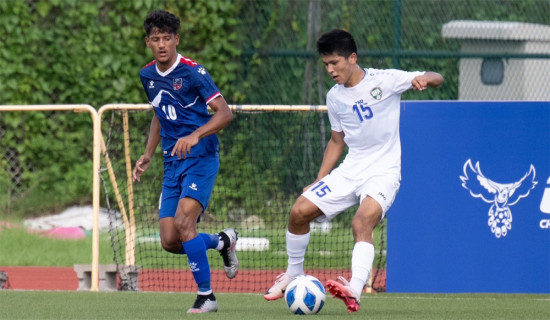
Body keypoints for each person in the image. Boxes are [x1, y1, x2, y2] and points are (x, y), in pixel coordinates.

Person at [264, 29, 444, 312]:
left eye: (335, 62)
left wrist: (424, 79)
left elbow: (437, 77)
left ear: (353, 58)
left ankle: (355, 288)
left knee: (361, 223)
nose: (330, 70)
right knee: (299, 211)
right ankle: (293, 274)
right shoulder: (334, 97)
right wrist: (319, 180)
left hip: (384, 171)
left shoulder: (384, 80)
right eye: (326, 64)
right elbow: (337, 140)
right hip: (351, 170)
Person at [133, 10, 237, 314]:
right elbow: (159, 112)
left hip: (201, 157)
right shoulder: (147, 75)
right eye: (156, 39)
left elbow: (224, 113)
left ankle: (207, 297)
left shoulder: (193, 72)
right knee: (169, 240)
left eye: (168, 38)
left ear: (176, 40)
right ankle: (222, 242)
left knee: (183, 223)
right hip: (171, 162)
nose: (162, 44)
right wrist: (148, 153)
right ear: (148, 43)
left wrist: (196, 135)